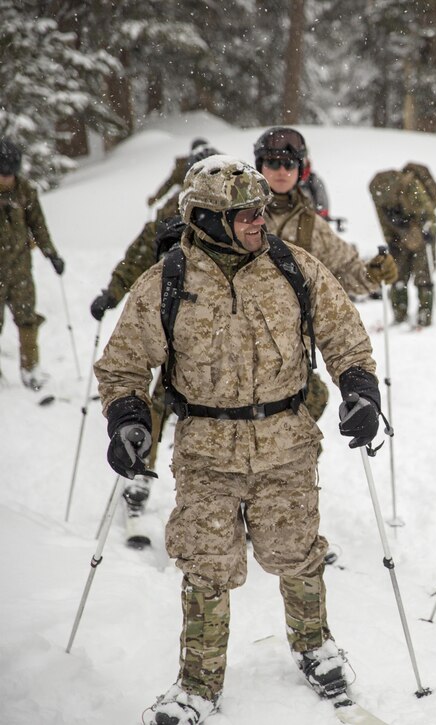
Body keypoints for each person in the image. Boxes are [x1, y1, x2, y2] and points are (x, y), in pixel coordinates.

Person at [94, 155, 384, 724]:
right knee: (206, 567)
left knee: (297, 554)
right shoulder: (167, 282)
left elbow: (346, 336)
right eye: (246, 214)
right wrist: (127, 416)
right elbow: (123, 364)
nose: (260, 220)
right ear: (206, 218)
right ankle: (197, 685)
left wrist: (361, 389)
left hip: (286, 445)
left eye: (262, 210)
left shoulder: (294, 268)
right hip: (206, 451)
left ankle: (314, 646)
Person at [89, 143, 219, 546]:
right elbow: (133, 263)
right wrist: (111, 294)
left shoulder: (227, 227)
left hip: (211, 338)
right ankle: (139, 477)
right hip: (160, 329)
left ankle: (228, 498)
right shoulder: (163, 225)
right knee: (156, 402)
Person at [254, 127, 398, 429]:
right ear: (259, 166)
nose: (281, 171)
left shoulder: (311, 226)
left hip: (289, 356)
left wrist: (373, 272)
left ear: (300, 169)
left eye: (289, 164)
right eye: (273, 163)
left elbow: (349, 271)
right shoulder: (238, 216)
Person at [0, 137, 65, 390]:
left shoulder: (25, 191)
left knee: (27, 319)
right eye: (2, 173)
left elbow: (38, 224)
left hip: (20, 270)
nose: (6, 179)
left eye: (10, 173)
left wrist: (52, 254)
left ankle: (30, 369)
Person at [369, 163, 436, 327]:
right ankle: (399, 315)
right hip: (399, 237)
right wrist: (390, 241)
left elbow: (428, 212)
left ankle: (425, 316)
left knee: (423, 275)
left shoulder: (410, 186)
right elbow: (384, 223)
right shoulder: (379, 195)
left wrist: (428, 231)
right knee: (397, 275)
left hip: (421, 233)